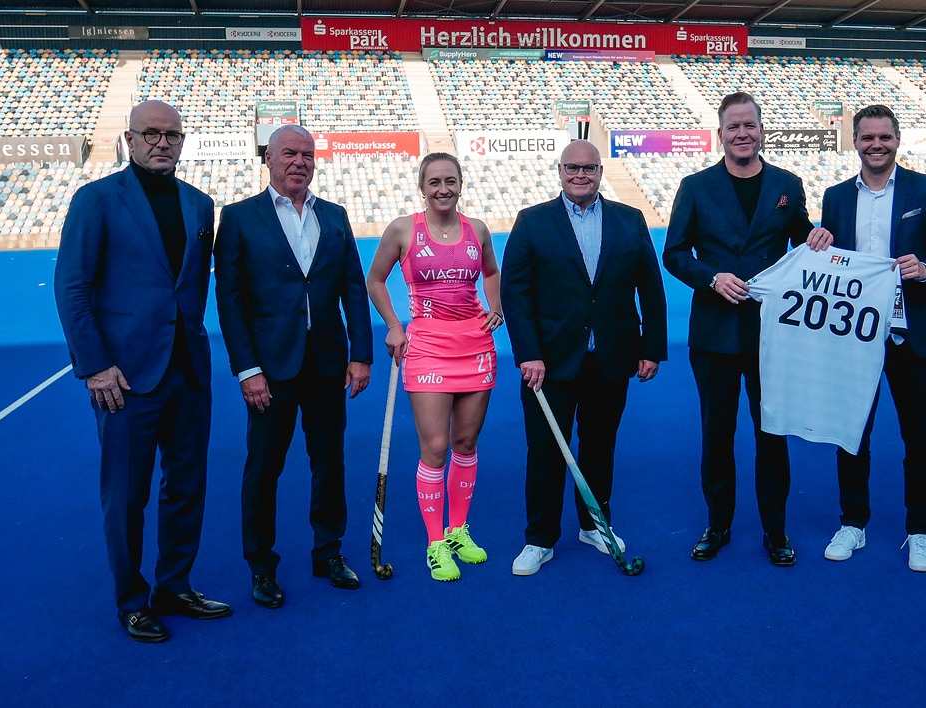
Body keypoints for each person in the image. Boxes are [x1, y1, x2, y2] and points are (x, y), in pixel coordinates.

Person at [54, 100, 230, 643]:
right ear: (130, 140)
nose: (162, 143)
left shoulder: (201, 206)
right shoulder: (97, 200)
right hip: (125, 378)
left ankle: (173, 585)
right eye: (151, 134)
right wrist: (95, 366)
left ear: (183, 141)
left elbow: (193, 287)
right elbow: (73, 288)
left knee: (187, 485)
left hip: (187, 373)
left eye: (172, 135)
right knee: (126, 493)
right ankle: (131, 599)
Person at [663, 93, 831, 567]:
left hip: (773, 334)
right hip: (714, 333)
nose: (742, 133)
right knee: (716, 435)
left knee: (771, 434)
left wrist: (817, 235)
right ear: (721, 135)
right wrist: (710, 277)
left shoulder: (787, 184)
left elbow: (802, 236)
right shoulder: (695, 187)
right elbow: (674, 253)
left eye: (749, 125)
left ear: (762, 130)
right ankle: (718, 524)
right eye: (732, 126)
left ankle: (775, 530)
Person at [214, 124, 373, 608]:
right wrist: (247, 370)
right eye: (289, 153)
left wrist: (360, 354)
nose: (299, 161)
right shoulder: (240, 218)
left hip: (326, 364)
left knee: (330, 463)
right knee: (264, 469)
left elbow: (352, 290)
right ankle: (261, 566)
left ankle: (329, 551)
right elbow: (230, 301)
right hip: (270, 370)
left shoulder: (336, 216)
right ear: (268, 158)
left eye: (307, 154)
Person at [501, 140, 668, 576]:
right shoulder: (533, 222)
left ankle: (595, 525)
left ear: (599, 172)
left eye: (589, 168)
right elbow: (515, 295)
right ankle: (540, 538)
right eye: (572, 168)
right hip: (549, 364)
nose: (580, 175)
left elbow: (650, 288)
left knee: (599, 447)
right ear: (559, 171)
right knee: (545, 452)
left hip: (611, 358)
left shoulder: (629, 221)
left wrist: (651, 347)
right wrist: (529, 354)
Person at [817, 104, 926, 571]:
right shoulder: (834, 196)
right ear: (856, 142)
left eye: (884, 137)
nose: (877, 145)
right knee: (851, 433)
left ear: (898, 139)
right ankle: (853, 522)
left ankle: (921, 530)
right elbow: (829, 261)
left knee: (920, 438)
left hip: (911, 333)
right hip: (854, 337)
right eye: (868, 137)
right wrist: (819, 248)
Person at [366, 153, 501, 582]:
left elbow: (492, 272)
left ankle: (458, 530)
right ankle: (434, 542)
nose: (443, 189)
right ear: (421, 187)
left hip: (475, 344)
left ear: (461, 184)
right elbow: (375, 279)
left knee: (465, 442)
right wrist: (392, 325)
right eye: (434, 182)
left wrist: (494, 307)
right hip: (426, 346)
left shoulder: (476, 229)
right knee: (436, 447)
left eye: (450, 181)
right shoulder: (404, 229)